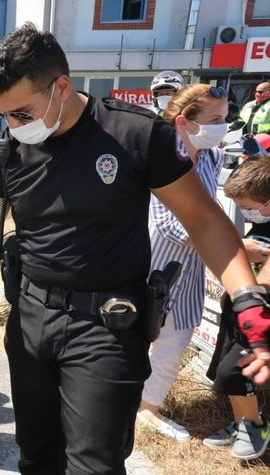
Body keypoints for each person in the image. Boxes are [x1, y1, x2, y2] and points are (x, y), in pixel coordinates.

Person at [0, 23, 270, 474]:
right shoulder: (4, 152)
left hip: (106, 327)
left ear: (61, 87)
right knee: (37, 456)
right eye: (3, 115)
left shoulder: (134, 136)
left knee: (95, 465)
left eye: (22, 114)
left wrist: (247, 300)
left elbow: (205, 221)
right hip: (31, 323)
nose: (12, 126)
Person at [135, 84, 228, 441]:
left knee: (174, 341)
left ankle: (149, 407)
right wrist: (233, 247)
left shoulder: (210, 158)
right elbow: (170, 224)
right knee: (137, 338)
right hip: (153, 266)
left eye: (225, 118)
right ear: (184, 122)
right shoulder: (160, 160)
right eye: (214, 119)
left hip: (190, 271)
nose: (222, 127)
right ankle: (123, 399)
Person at [202, 156, 270, 460]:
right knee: (224, 366)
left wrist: (247, 289)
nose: (246, 212)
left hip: (261, 311)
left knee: (235, 370)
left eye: (250, 206)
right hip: (244, 305)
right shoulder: (263, 218)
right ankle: (243, 419)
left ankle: (256, 426)